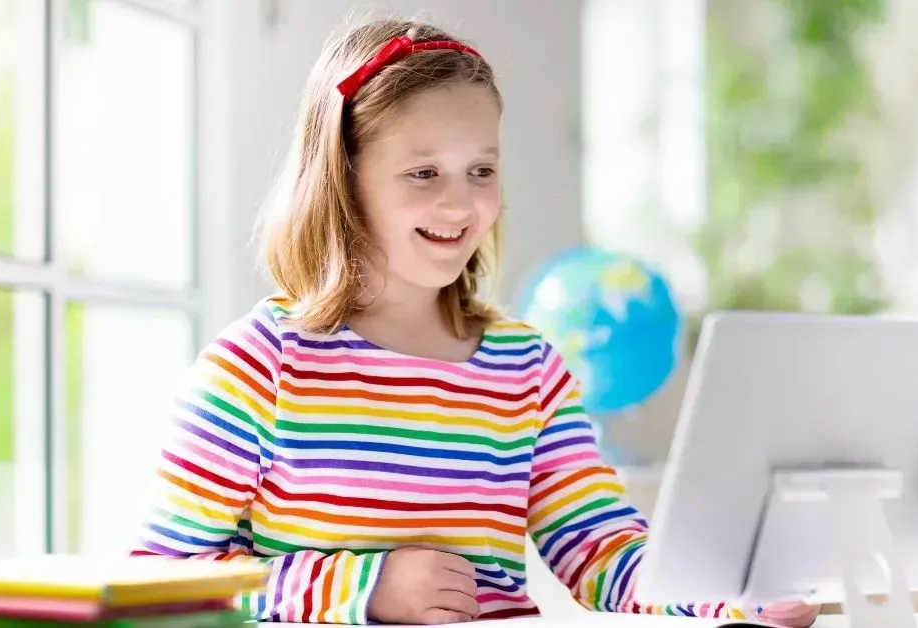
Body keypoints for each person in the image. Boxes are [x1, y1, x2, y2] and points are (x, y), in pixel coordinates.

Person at [131, 18, 819, 627]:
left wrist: (735, 598)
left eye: (481, 169)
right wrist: (360, 588)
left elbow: (602, 552)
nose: (461, 204)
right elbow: (161, 581)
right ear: (342, 179)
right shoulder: (256, 368)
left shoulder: (527, 370)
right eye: (424, 172)